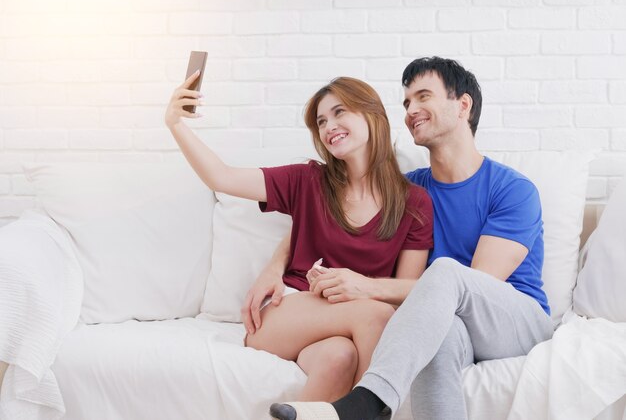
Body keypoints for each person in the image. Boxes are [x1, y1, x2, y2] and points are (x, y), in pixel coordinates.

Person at [268, 57, 554, 420]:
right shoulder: (408, 192)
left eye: (423, 97)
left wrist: (367, 287)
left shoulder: (512, 190)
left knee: (449, 273)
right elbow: (318, 218)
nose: (411, 110)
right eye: (406, 102)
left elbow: (478, 284)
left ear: (462, 105)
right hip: (449, 319)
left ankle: (369, 400)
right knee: (435, 335)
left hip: (515, 321)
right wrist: (274, 267)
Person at [165, 74, 434, 402]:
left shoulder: (414, 202)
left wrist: (358, 285)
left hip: (344, 330)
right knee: (376, 315)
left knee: (339, 358)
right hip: (286, 310)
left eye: (339, 112)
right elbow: (222, 177)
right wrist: (176, 124)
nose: (328, 126)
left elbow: (405, 292)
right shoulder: (309, 180)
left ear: (372, 115)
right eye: (321, 121)